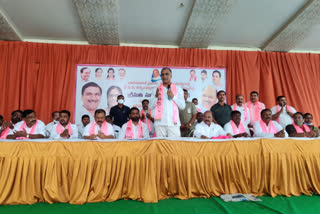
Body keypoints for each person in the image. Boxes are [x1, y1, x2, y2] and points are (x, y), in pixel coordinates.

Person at [149, 67, 186, 137]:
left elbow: (182, 106)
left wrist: (173, 97)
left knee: (174, 146)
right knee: (160, 146)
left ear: (171, 75)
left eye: (167, 74)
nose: (164, 76)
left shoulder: (178, 89)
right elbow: (150, 106)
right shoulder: (156, 90)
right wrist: (156, 97)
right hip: (160, 124)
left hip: (173, 124)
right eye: (162, 75)